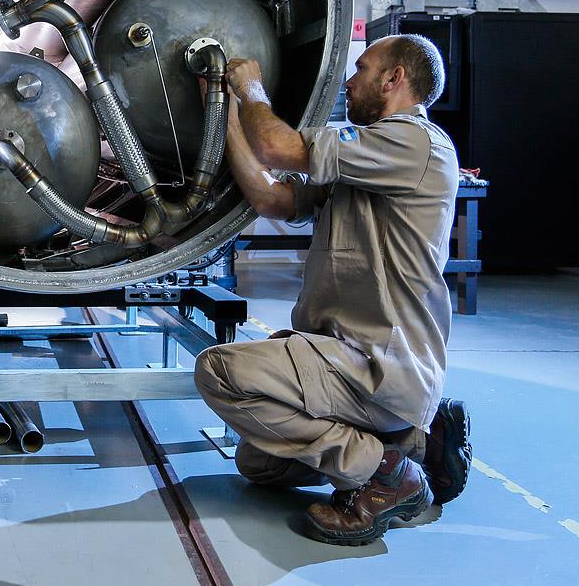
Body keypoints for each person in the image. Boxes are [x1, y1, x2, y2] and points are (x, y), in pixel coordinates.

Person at [194, 34, 472, 546]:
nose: (349, 81)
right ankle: (414, 443)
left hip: (379, 364)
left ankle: (387, 470)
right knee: (260, 465)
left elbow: (276, 146)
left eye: (362, 68)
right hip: (341, 357)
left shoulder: (416, 143)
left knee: (220, 371)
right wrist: (225, 108)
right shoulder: (363, 154)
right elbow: (274, 199)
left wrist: (252, 88)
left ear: (394, 79)